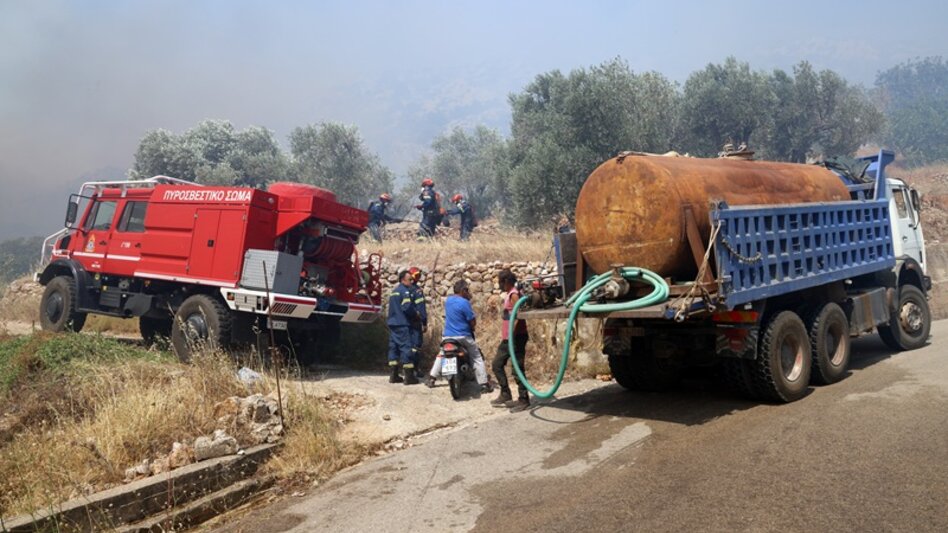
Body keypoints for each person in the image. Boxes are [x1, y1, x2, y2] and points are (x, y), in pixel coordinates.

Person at [425, 280, 492, 393]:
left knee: (441, 355)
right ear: (462, 290)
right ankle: (484, 384)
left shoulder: (448, 301)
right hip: (463, 336)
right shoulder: (464, 303)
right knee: (476, 357)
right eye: (466, 290)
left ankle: (432, 378)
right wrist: (473, 326)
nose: (468, 292)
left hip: (448, 336)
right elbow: (472, 321)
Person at [491, 270, 530, 412]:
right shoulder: (510, 294)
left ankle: (524, 399)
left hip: (516, 337)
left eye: (501, 282)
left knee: (517, 368)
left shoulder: (514, 294)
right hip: (508, 339)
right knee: (497, 364)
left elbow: (519, 315)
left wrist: (513, 332)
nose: (500, 285)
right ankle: (505, 393)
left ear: (506, 281)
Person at [387, 270, 419, 385]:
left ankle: (393, 375)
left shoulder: (394, 292)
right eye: (409, 279)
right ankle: (409, 377)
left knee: (394, 348)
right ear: (403, 280)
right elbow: (406, 307)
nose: (411, 281)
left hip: (392, 323)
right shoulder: (404, 292)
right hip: (402, 324)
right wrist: (416, 315)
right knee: (406, 348)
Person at [408, 266, 427, 376]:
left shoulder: (402, 289)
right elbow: (421, 309)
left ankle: (406, 369)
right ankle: (415, 369)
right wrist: (424, 323)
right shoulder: (417, 291)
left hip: (405, 322)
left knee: (407, 345)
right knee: (416, 346)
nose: (418, 278)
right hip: (415, 322)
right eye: (417, 275)